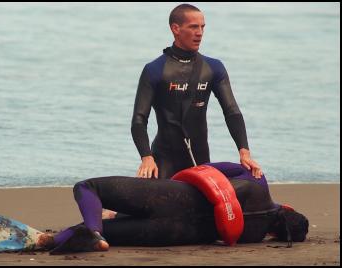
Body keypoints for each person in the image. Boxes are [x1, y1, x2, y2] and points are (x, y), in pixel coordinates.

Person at [35, 162, 308, 254]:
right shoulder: (253, 236)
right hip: (174, 232)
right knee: (107, 233)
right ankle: (49, 240)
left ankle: (93, 231)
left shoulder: (257, 179)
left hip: (174, 197)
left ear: (287, 206)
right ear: (276, 235)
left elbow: (204, 169)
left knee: (88, 187)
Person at [131, 4, 263, 179]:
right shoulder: (155, 70)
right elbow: (139, 120)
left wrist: (244, 152)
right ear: (175, 29)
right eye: (193, 27)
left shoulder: (213, 68)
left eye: (202, 27)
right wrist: (146, 157)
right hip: (163, 160)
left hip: (200, 159)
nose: (199, 32)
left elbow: (232, 112)